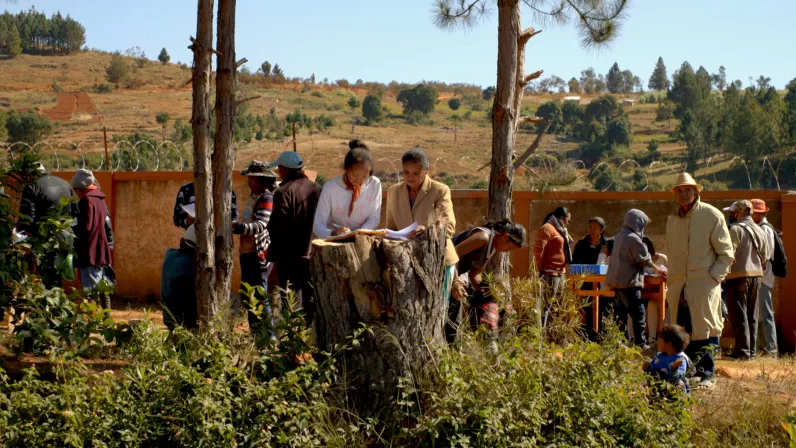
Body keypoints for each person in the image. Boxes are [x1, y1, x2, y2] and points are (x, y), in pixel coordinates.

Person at [665, 173, 734, 389]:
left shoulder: (712, 215)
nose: (683, 194)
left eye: (688, 189)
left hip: (703, 284)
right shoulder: (673, 221)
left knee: (706, 330)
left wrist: (712, 278)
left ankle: (707, 375)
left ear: (696, 192)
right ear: (675, 195)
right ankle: (691, 372)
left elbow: (726, 253)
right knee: (684, 330)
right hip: (680, 286)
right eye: (679, 190)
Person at [385, 147, 459, 306]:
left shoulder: (440, 190)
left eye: (415, 173)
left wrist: (427, 231)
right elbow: (390, 227)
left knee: (438, 310)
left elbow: (449, 225)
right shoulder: (393, 192)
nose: (410, 177)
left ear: (426, 171)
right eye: (406, 173)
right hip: (406, 262)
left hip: (438, 260)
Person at [447, 220, 527, 342]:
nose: (507, 252)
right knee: (453, 320)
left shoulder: (492, 246)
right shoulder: (483, 237)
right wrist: (456, 281)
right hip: (444, 272)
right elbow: (454, 253)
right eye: (509, 248)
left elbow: (475, 274)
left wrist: (491, 294)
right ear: (505, 236)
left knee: (460, 317)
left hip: (453, 275)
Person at [266, 151, 322, 325]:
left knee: (291, 302)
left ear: (284, 169)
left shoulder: (283, 192)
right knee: (312, 300)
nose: (278, 172)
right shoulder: (317, 188)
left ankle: (295, 342)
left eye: (279, 168)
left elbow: (278, 226)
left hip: (289, 257)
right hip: (314, 254)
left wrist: (274, 256)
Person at [605, 209, 666, 348]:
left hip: (617, 281)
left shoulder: (619, 236)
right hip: (629, 281)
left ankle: (618, 342)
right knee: (638, 314)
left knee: (620, 314)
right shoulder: (633, 238)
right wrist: (658, 270)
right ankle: (641, 343)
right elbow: (644, 259)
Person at [233, 161, 278, 335]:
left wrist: (238, 227)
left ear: (263, 181)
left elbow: (261, 225)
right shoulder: (254, 197)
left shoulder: (266, 198)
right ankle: (257, 334)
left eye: (253, 179)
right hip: (247, 252)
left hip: (257, 255)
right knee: (248, 295)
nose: (249, 182)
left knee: (259, 295)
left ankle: (269, 335)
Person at [724, 200, 770, 361]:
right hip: (756, 275)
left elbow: (730, 253)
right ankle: (751, 352)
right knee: (752, 314)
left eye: (732, 212)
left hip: (737, 276)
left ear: (738, 212)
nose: (731, 215)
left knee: (738, 315)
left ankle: (742, 352)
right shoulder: (760, 229)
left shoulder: (735, 229)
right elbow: (765, 256)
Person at [313, 142, 381, 238]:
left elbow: (374, 219)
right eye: (355, 175)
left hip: (361, 238)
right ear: (346, 169)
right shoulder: (331, 187)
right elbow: (318, 224)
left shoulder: (374, 184)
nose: (359, 179)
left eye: (364, 176)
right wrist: (332, 233)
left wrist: (357, 233)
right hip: (333, 240)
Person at [71, 169, 114, 303]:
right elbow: (108, 225)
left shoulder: (86, 201)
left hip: (89, 253)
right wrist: (109, 246)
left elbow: (85, 228)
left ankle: (91, 322)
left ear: (80, 188)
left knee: (90, 293)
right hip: (102, 252)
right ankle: (106, 319)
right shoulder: (101, 199)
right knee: (103, 289)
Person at [751, 199, 779, 357]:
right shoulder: (760, 227)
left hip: (763, 277)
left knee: (765, 313)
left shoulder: (765, 229)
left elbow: (767, 255)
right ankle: (765, 348)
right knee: (760, 313)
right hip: (761, 277)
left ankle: (771, 349)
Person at [572, 217, 608, 340]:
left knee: (602, 308)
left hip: (603, 283)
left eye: (595, 228)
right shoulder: (581, 244)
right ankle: (585, 336)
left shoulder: (607, 244)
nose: (591, 230)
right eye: (590, 227)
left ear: (602, 230)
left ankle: (601, 335)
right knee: (586, 308)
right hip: (585, 282)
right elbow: (574, 262)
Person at [161, 225, 198, 331]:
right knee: (233, 300)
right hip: (183, 321)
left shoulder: (170, 254)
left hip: (168, 318)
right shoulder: (190, 266)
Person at [533, 207, 572, 295]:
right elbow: (538, 250)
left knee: (558, 305)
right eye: (568, 220)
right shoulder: (547, 228)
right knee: (549, 305)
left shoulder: (560, 230)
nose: (568, 223)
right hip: (549, 274)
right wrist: (539, 271)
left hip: (560, 273)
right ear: (562, 218)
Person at [643, 324, 691, 393]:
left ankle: (676, 398)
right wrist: (648, 367)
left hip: (670, 388)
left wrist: (674, 368)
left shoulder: (680, 359)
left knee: (678, 383)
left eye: (660, 339)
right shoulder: (659, 356)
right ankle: (655, 394)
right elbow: (653, 370)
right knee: (652, 376)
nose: (657, 342)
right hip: (659, 385)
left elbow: (677, 377)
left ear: (670, 344)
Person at [173, 181, 238, 229]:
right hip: (193, 240)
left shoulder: (228, 192)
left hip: (219, 242)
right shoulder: (186, 190)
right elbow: (177, 219)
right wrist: (187, 221)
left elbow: (234, 218)